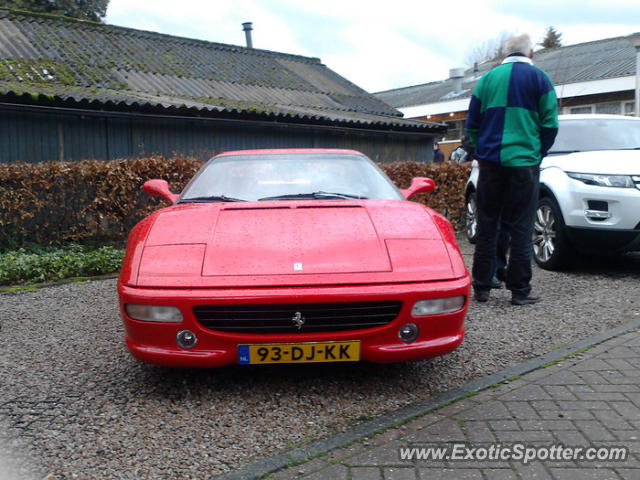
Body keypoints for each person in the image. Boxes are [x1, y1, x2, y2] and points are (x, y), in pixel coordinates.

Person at [465, 33, 558, 305]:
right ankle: (519, 290)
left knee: (487, 224)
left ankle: (482, 286)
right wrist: (537, 154)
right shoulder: (540, 79)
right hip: (524, 165)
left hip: (491, 164)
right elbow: (550, 125)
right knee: (521, 226)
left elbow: (471, 125)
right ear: (531, 53)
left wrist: (481, 154)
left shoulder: (487, 80)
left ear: (505, 54)